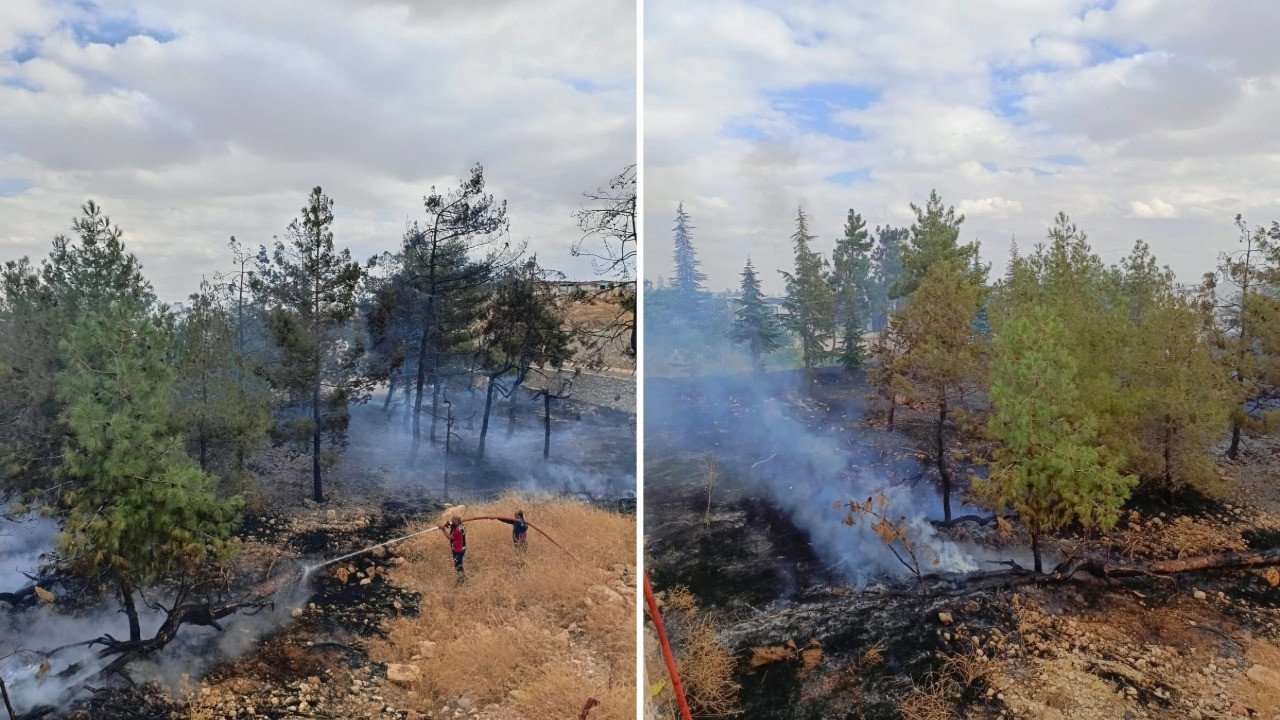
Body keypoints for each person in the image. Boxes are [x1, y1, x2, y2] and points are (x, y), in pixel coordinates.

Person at [440, 515, 466, 583]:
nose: (451, 520)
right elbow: (452, 525)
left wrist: (443, 530)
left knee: (458, 565)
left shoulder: (457, 530)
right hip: (461, 547)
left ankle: (461, 580)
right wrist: (447, 525)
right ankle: (461, 578)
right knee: (458, 563)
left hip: (458, 549)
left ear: (456, 521)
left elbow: (450, 537)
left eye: (452, 520)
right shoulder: (461, 525)